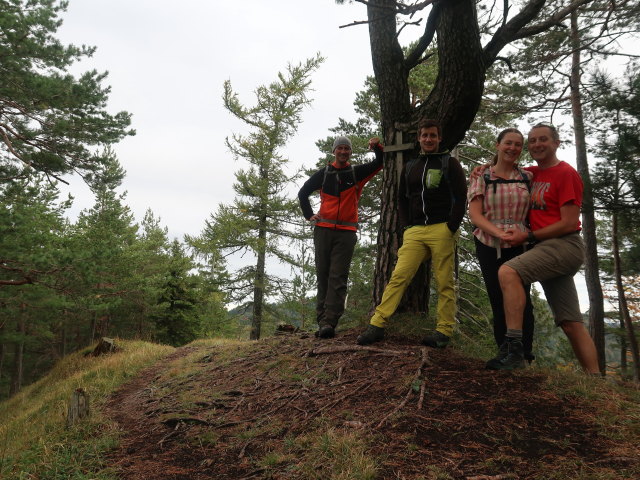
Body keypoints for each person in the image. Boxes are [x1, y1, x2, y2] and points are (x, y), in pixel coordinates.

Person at [485, 123, 599, 372]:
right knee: (570, 322)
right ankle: (596, 381)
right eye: (533, 140)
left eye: (543, 139)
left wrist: (528, 235)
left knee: (508, 272)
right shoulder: (532, 174)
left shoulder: (566, 173)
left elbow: (569, 222)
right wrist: (483, 169)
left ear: (556, 143)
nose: (537, 144)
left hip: (564, 246)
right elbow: (502, 170)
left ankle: (515, 349)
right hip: (546, 249)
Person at [357, 119, 467, 347]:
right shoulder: (411, 166)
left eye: (433, 135)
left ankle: (444, 331)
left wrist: (451, 227)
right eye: (425, 135)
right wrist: (408, 226)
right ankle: (377, 324)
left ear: (439, 138)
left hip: (442, 228)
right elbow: (401, 198)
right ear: (419, 138)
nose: (428, 139)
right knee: (399, 276)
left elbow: (460, 198)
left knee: (444, 280)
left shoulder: (450, 164)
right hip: (415, 231)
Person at [298, 135, 384, 339]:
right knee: (323, 275)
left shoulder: (356, 172)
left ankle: (329, 323)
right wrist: (309, 215)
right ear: (334, 151)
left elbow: (380, 162)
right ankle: (322, 321)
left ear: (350, 152)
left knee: (338, 277)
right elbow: (303, 193)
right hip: (323, 230)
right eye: (340, 148)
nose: (343, 152)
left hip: (346, 233)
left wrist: (377, 147)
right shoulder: (324, 173)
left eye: (347, 149)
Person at [467, 128, 536, 366]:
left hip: (521, 244)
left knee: (522, 298)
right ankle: (503, 352)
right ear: (497, 145)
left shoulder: (528, 177)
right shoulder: (482, 176)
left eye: (518, 145)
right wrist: (499, 233)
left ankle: (523, 353)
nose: (513, 148)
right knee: (497, 296)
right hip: (488, 242)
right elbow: (475, 215)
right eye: (508, 143)